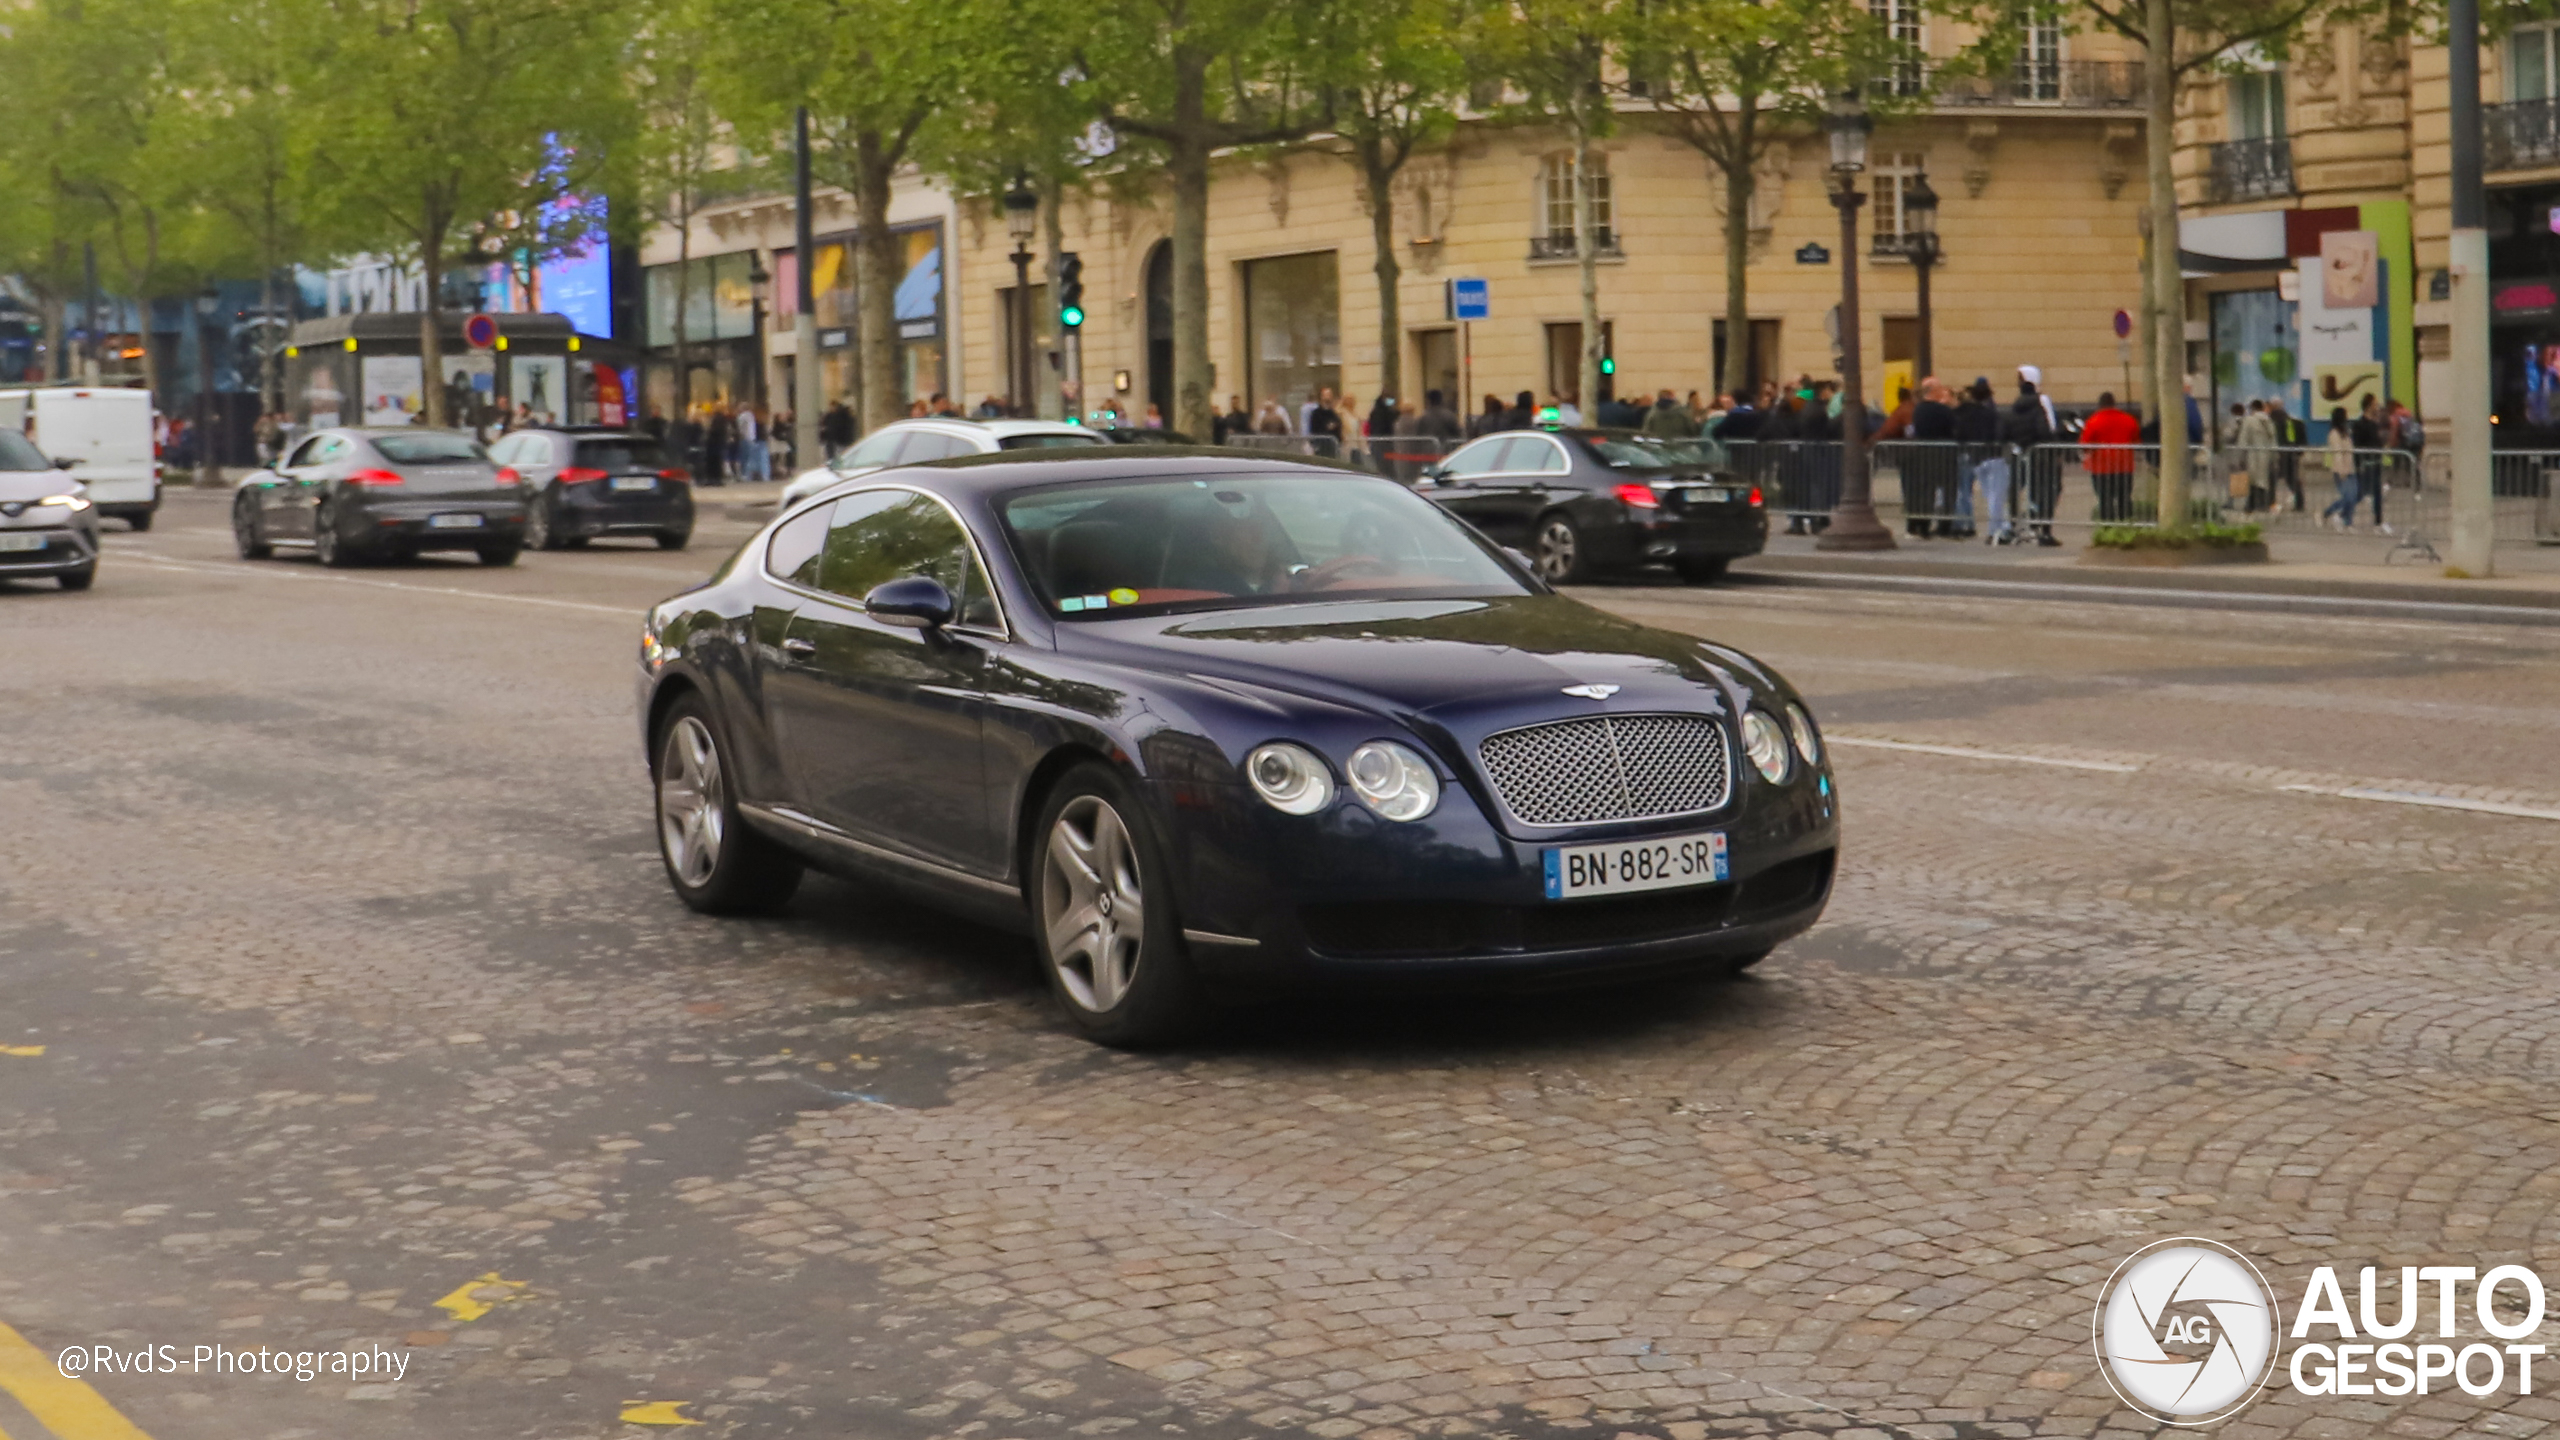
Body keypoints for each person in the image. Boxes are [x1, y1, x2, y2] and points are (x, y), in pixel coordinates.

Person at [2003, 376, 2058, 544]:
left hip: (2019, 455)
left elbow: (2006, 431)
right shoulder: (2038, 409)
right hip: (2038, 456)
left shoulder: (2014, 409)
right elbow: (2043, 430)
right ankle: (2043, 528)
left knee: (2016, 490)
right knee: (2044, 491)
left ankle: (2014, 525)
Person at [1955, 380, 2008, 542]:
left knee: (1988, 495)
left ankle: (2000, 528)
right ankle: (1995, 530)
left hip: (1976, 458)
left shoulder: (1965, 414)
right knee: (1996, 496)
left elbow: (1960, 434)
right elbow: (2000, 432)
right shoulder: (1991, 414)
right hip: (1993, 456)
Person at [2079, 391, 2140, 524]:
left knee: (2105, 500)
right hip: (2124, 467)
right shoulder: (2128, 419)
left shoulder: (2094, 421)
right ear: (2114, 404)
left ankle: (2107, 527)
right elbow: (2136, 440)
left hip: (2101, 468)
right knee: (2125, 499)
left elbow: (2085, 444)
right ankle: (2126, 526)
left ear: (2100, 405)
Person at [2350, 394, 2388, 531]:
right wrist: (2358, 463)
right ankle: (2343, 512)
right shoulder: (2359, 424)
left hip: (2375, 462)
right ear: (2368, 405)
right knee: (2360, 493)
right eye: (2375, 403)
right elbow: (2357, 445)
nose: (2377, 406)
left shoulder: (2374, 424)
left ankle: (2378, 521)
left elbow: (2377, 441)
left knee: (2377, 492)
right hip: (2365, 463)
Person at [2321, 406, 2359, 529]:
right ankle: (2327, 513)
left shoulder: (2346, 432)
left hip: (2351, 468)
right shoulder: (2334, 434)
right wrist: (2341, 470)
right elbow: (2337, 452)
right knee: (2347, 497)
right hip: (2341, 469)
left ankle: (2347, 520)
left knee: (2353, 497)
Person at [2236, 400, 2276, 512]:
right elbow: (2273, 439)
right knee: (2263, 480)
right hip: (2266, 454)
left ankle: (2251, 505)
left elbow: (2243, 440)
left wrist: (2240, 457)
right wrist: (2274, 456)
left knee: (2252, 480)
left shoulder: (2249, 420)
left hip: (2252, 455)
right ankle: (2262, 504)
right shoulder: (2268, 420)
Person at [2268, 399, 2305, 511]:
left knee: (2271, 480)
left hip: (2277, 454)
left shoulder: (2272, 420)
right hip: (2291, 455)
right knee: (2293, 480)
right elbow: (2302, 439)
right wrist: (2298, 452)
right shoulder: (2294, 421)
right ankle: (2299, 503)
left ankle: (2271, 503)